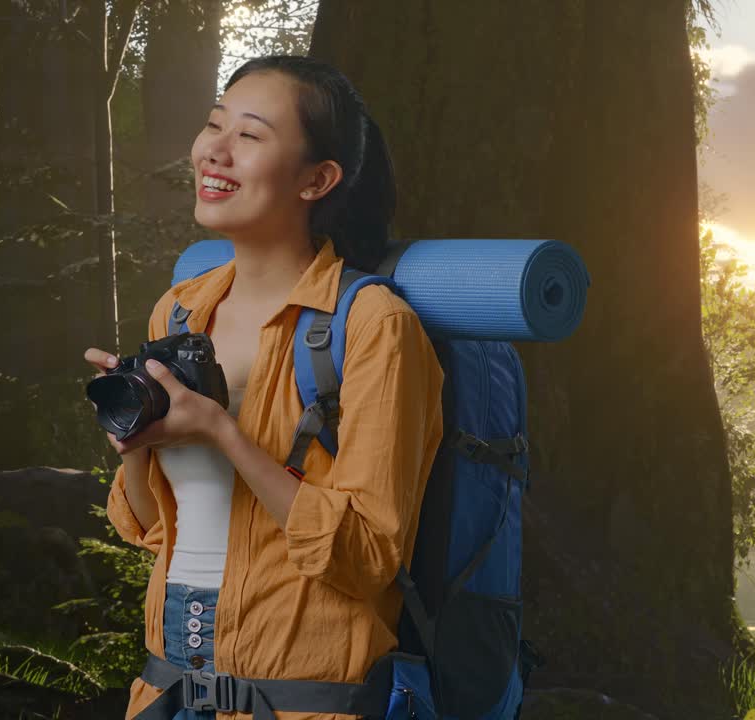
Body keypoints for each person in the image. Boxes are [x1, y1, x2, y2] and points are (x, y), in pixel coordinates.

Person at [83, 55, 444, 720]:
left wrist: (223, 433)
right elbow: (151, 527)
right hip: (167, 693)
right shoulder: (181, 312)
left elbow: (368, 557)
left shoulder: (372, 326)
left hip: (307, 702)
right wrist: (135, 437)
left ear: (317, 179)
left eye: (249, 136)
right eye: (213, 125)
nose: (213, 152)